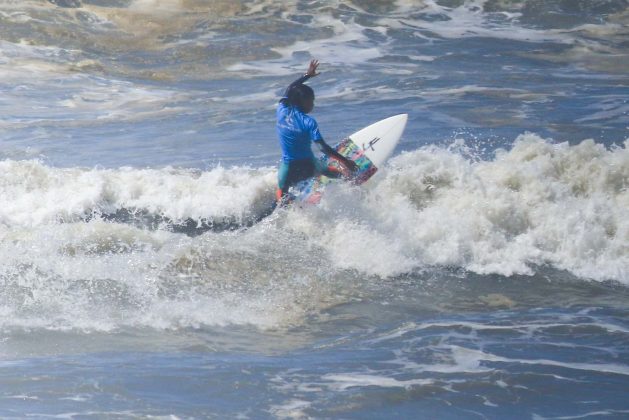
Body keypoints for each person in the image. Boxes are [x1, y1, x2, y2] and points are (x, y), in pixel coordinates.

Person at [275, 59, 357, 203]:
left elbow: (290, 88)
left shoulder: (281, 110)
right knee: (325, 171)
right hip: (307, 165)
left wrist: (307, 75)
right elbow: (322, 148)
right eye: (311, 101)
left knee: (282, 188)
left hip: (288, 168)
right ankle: (348, 179)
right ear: (303, 102)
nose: (313, 104)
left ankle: (283, 208)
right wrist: (346, 161)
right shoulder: (309, 122)